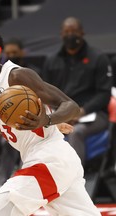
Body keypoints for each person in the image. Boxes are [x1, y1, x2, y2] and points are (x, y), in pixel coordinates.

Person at [0, 26, 101, 215]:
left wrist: (48, 119)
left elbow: (71, 106)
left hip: (51, 157)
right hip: (36, 158)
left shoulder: (17, 76)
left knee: (0, 208)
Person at [41, 17, 113, 166]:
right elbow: (44, 92)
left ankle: (76, 177)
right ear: (61, 34)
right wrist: (58, 115)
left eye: (74, 31)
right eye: (67, 32)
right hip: (60, 113)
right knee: (36, 131)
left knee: (76, 131)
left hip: (92, 115)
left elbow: (104, 94)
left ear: (82, 33)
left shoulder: (98, 58)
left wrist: (81, 111)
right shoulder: (52, 60)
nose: (70, 35)